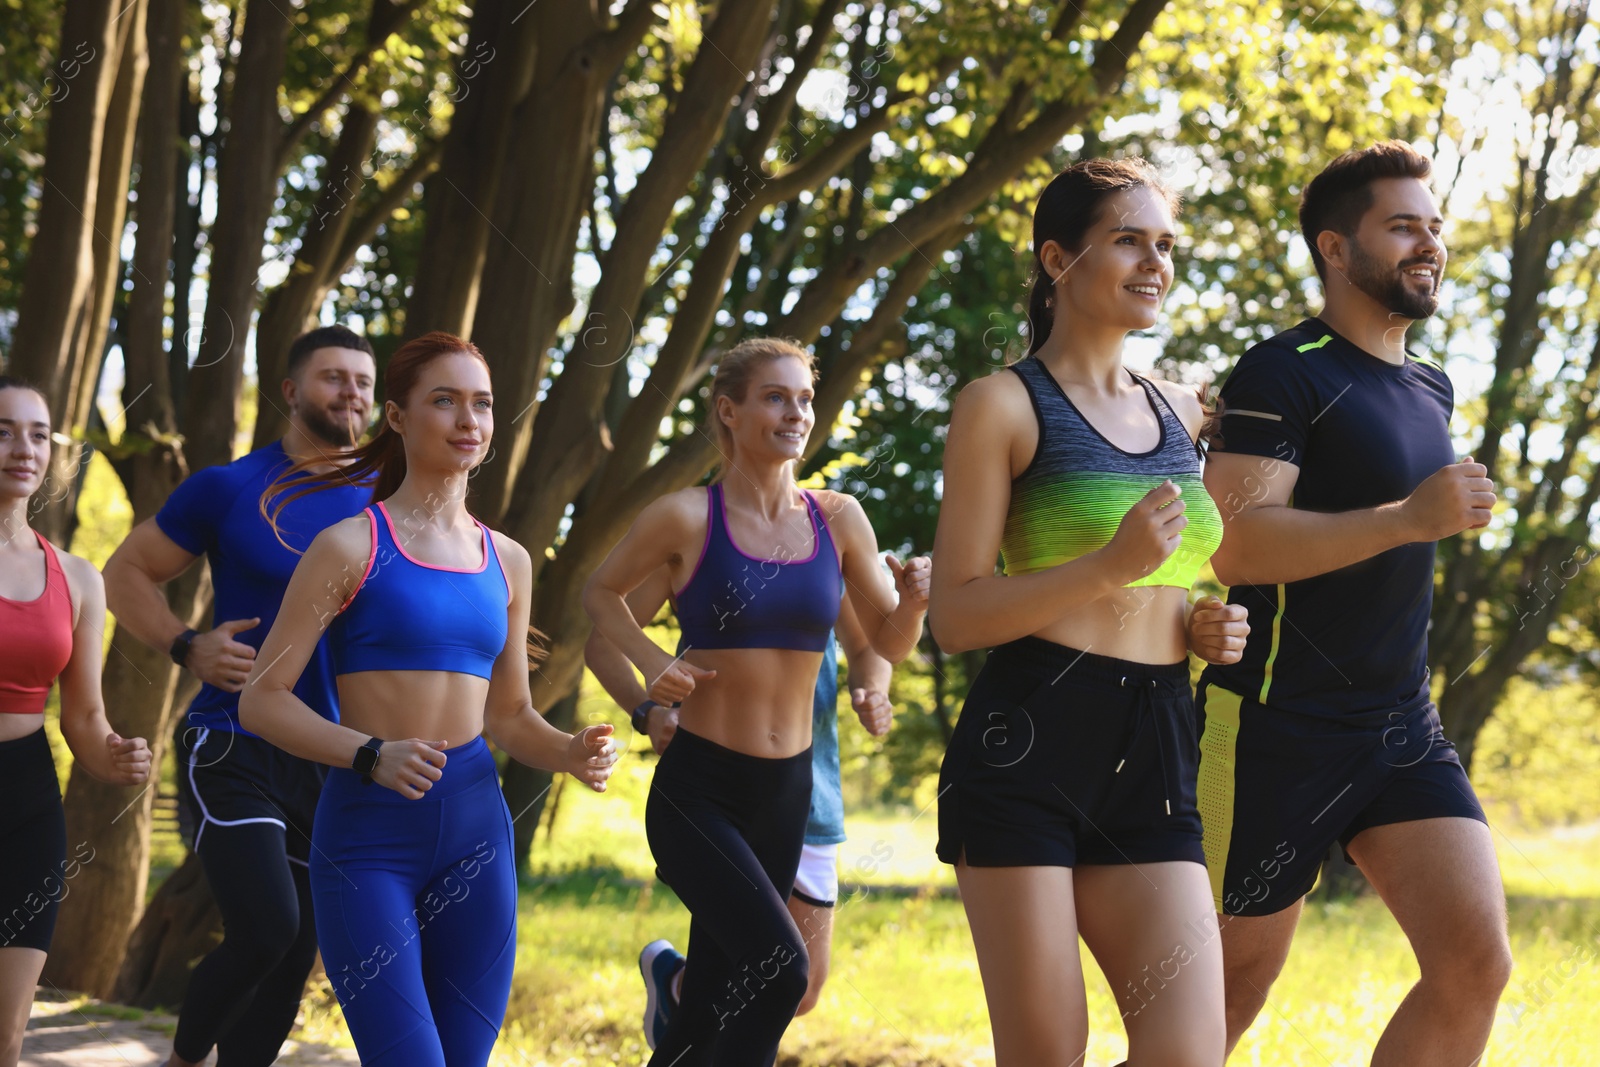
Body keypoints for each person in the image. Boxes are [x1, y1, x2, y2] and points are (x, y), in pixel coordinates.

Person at [928, 158, 1248, 1067]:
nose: (1156, 263)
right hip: (1028, 742)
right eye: (1129, 240)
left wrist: (1200, 624)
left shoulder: (1183, 409)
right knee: (1046, 1053)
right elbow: (954, 615)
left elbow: (1179, 577)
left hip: (1155, 742)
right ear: (1059, 259)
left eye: (1166, 245)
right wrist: (1109, 566)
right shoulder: (1000, 405)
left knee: (1189, 1052)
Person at [1197, 141, 1510, 1065]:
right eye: (1404, 225)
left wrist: (1417, 520)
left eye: (1435, 226)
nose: (1430, 243)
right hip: (1274, 725)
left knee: (1473, 963)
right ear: (1337, 249)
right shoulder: (1282, 371)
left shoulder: (1429, 383)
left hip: (1401, 722)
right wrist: (1409, 516)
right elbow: (1238, 541)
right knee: (1223, 1000)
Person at [238, 330, 618, 1067]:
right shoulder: (349, 547)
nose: (468, 418)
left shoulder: (508, 559)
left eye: (481, 403)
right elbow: (263, 700)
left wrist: (567, 752)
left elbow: (509, 716)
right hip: (367, 843)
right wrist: (369, 753)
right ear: (398, 417)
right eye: (444, 400)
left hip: (478, 838)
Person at [584, 337, 930, 1067]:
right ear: (728, 412)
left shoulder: (838, 519)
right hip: (699, 790)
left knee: (711, 997)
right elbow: (600, 597)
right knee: (783, 971)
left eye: (804, 398)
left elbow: (888, 640)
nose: (796, 412)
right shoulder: (685, 517)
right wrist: (653, 675)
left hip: (787, 792)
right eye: (776, 397)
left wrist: (919, 600)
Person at [104, 325, 376, 1067]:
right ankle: (186, 1060)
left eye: (362, 380)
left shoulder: (390, 503)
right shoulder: (229, 487)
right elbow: (124, 571)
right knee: (266, 926)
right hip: (232, 740)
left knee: (295, 954)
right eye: (333, 377)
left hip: (334, 755)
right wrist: (187, 643)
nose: (351, 392)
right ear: (290, 391)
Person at [582, 567, 894, 1048]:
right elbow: (603, 643)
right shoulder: (701, 536)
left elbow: (872, 648)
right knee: (768, 977)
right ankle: (692, 1013)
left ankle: (676, 988)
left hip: (810, 794)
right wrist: (649, 713)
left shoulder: (829, 540)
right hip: (715, 790)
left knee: (799, 988)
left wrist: (873, 689)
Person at [0, 377, 151, 1067]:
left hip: (28, 802)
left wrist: (113, 755)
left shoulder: (78, 578)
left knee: (6, 1035)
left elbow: (83, 718)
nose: (23, 447)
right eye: (4, 429)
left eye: (38, 433)